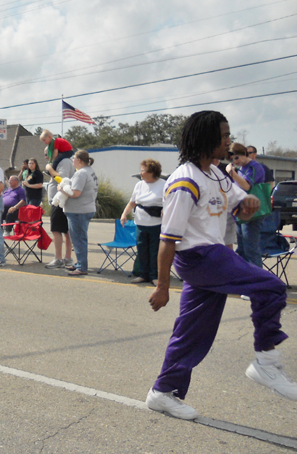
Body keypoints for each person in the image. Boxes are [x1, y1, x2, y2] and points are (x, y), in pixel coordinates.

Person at [146, 110, 297, 420]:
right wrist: (162, 286)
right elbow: (168, 239)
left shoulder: (216, 174)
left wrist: (248, 204)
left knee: (192, 331)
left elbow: (239, 208)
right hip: (199, 258)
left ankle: (162, 392)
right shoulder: (184, 181)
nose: (229, 142)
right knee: (272, 288)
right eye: (224, 136)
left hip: (213, 256)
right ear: (206, 139)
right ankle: (266, 363)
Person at [121, 159, 165, 284]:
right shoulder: (139, 185)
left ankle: (154, 276)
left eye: (143, 171)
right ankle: (143, 274)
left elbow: (169, 202)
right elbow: (132, 202)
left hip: (156, 224)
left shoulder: (163, 184)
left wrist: (165, 210)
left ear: (151, 172)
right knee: (142, 250)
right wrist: (124, 214)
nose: (140, 173)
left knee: (154, 251)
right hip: (140, 223)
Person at [226, 142, 267, 268]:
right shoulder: (241, 169)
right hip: (240, 212)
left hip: (252, 213)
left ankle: (258, 281)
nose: (236, 162)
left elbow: (246, 186)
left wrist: (233, 173)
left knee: (251, 249)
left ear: (244, 153)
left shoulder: (254, 167)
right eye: (233, 160)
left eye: (237, 158)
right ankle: (246, 278)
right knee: (242, 250)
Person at [62, 150, 98, 276]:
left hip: (79, 211)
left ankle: (82, 267)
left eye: (74, 158)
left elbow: (75, 193)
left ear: (79, 160)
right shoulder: (89, 171)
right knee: (78, 238)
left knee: (78, 239)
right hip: (85, 209)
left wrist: (62, 189)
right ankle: (79, 263)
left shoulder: (81, 173)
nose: (72, 161)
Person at [44, 152, 75, 269]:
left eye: (47, 153)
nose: (46, 156)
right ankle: (67, 258)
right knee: (66, 231)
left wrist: (49, 169)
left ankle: (60, 259)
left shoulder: (64, 162)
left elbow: (62, 180)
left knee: (57, 230)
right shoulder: (64, 161)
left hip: (60, 202)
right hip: (61, 201)